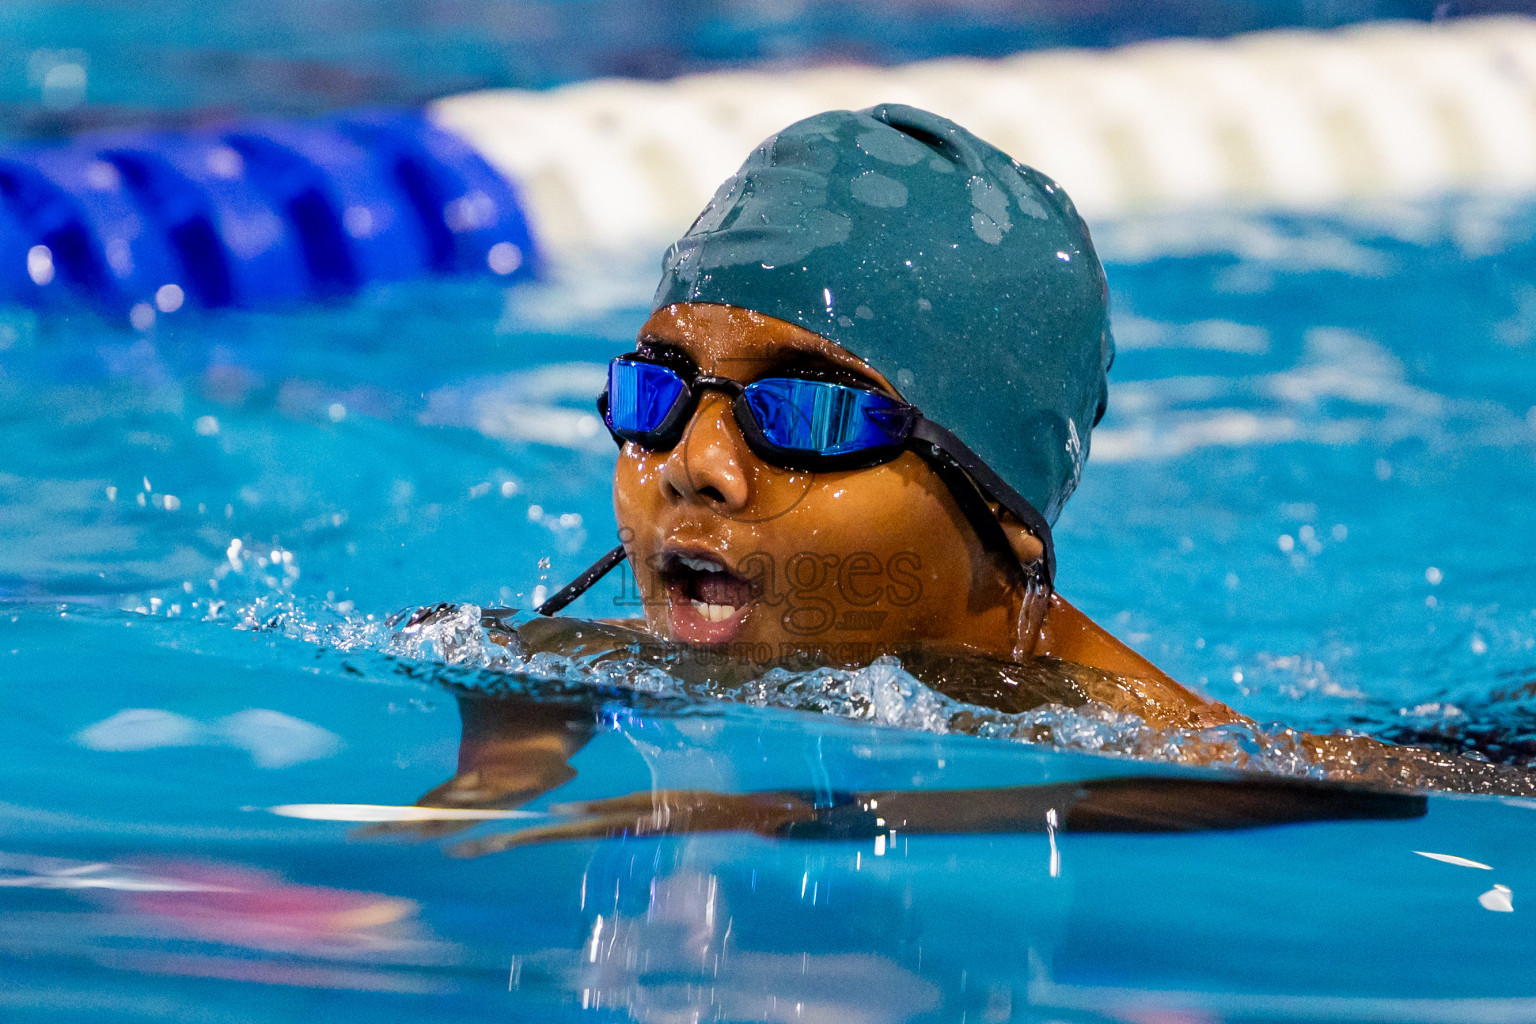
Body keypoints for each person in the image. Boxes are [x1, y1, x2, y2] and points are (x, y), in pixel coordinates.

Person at [535, 102, 1234, 731]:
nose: (694, 464)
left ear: (1006, 516)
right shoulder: (550, 683)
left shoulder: (1189, 784)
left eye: (810, 411)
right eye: (658, 392)